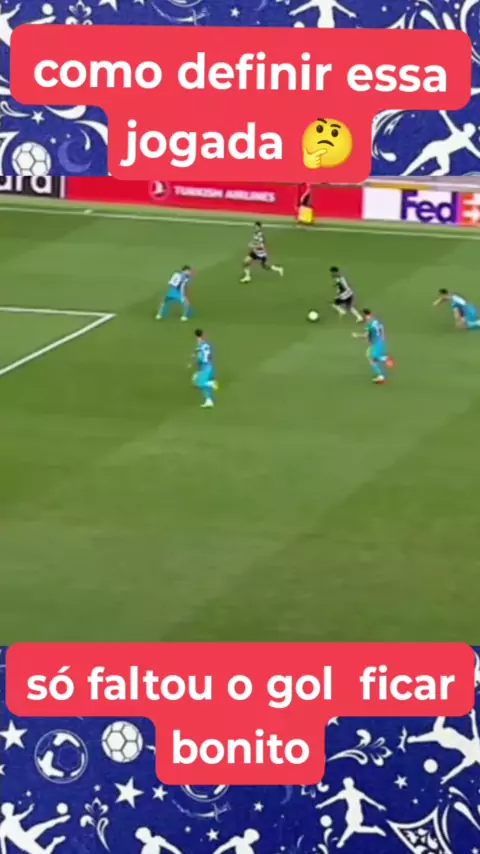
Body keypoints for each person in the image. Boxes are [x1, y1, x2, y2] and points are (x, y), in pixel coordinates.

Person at [353, 309, 393, 383]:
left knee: (371, 358)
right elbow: (381, 327)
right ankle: (384, 362)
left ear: (365, 315)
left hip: (376, 344)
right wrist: (382, 336)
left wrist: (357, 336)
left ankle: (383, 367)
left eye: (363, 315)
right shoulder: (375, 320)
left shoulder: (368, 324)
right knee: (371, 357)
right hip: (379, 342)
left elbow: (366, 336)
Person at [191, 328, 218, 408]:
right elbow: (209, 354)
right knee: (204, 384)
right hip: (210, 365)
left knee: (199, 384)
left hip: (205, 367)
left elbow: (200, 358)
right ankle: (209, 401)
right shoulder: (206, 344)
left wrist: (196, 363)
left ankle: (211, 383)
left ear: (196, 336)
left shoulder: (199, 346)